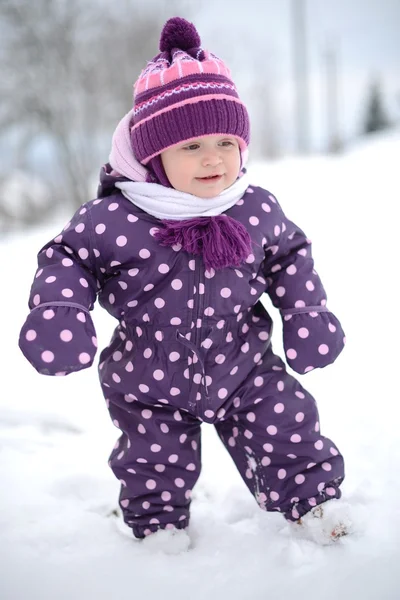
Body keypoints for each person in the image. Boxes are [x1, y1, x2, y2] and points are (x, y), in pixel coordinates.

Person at [19, 17, 352, 548]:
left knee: (285, 423)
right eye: (191, 146)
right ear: (153, 158)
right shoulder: (115, 219)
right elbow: (67, 257)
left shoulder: (255, 209)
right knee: (152, 456)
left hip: (242, 360)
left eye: (226, 140)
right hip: (147, 376)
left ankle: (311, 504)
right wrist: (60, 310)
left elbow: (289, 255)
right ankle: (159, 529)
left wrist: (305, 313)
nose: (214, 158)